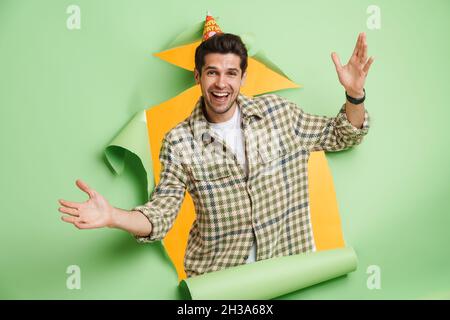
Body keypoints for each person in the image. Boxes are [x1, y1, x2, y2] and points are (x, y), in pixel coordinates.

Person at [59, 32, 373, 277]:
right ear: (197, 76)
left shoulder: (279, 114)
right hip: (220, 282)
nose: (221, 84)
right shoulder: (179, 142)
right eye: (212, 72)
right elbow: (162, 213)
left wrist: (354, 94)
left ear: (243, 78)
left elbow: (340, 134)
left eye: (231, 73)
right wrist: (113, 216)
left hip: (290, 268)